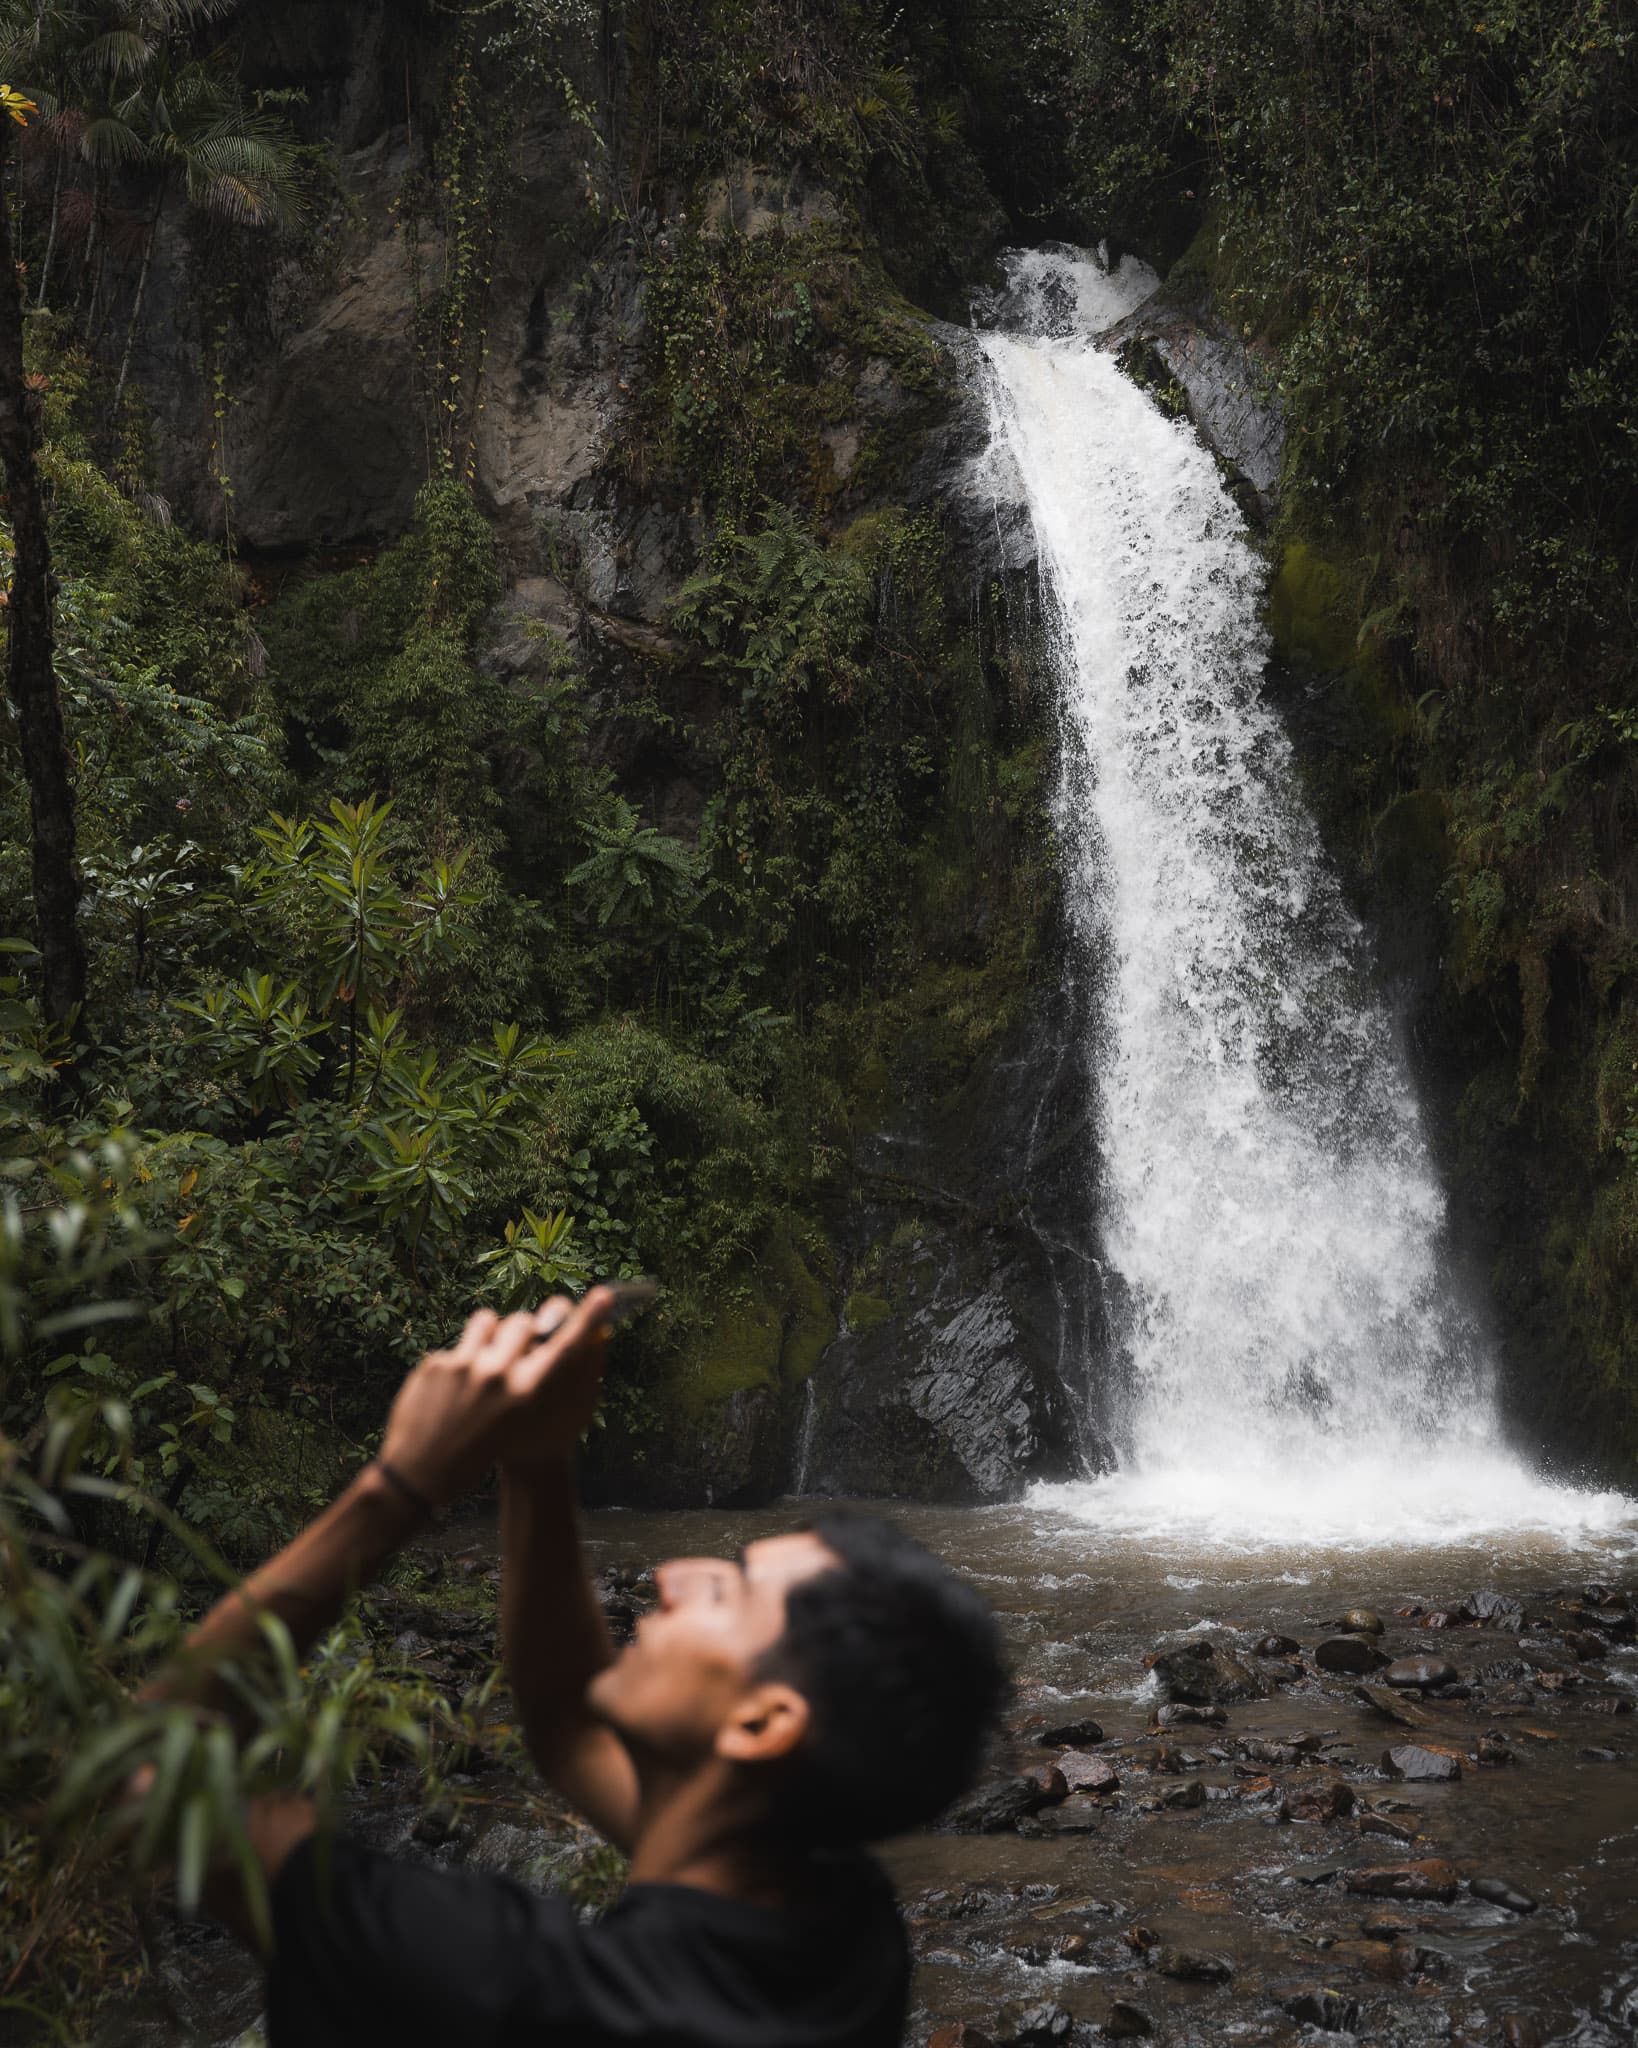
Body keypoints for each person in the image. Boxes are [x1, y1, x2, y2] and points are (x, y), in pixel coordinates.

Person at [140, 1289, 1009, 2047]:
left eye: (728, 1591)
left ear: (762, 1723)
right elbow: (568, 1723)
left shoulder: (488, 1983)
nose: (673, 1574)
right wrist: (537, 1457)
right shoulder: (843, 1941)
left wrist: (405, 1483)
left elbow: (148, 1771)